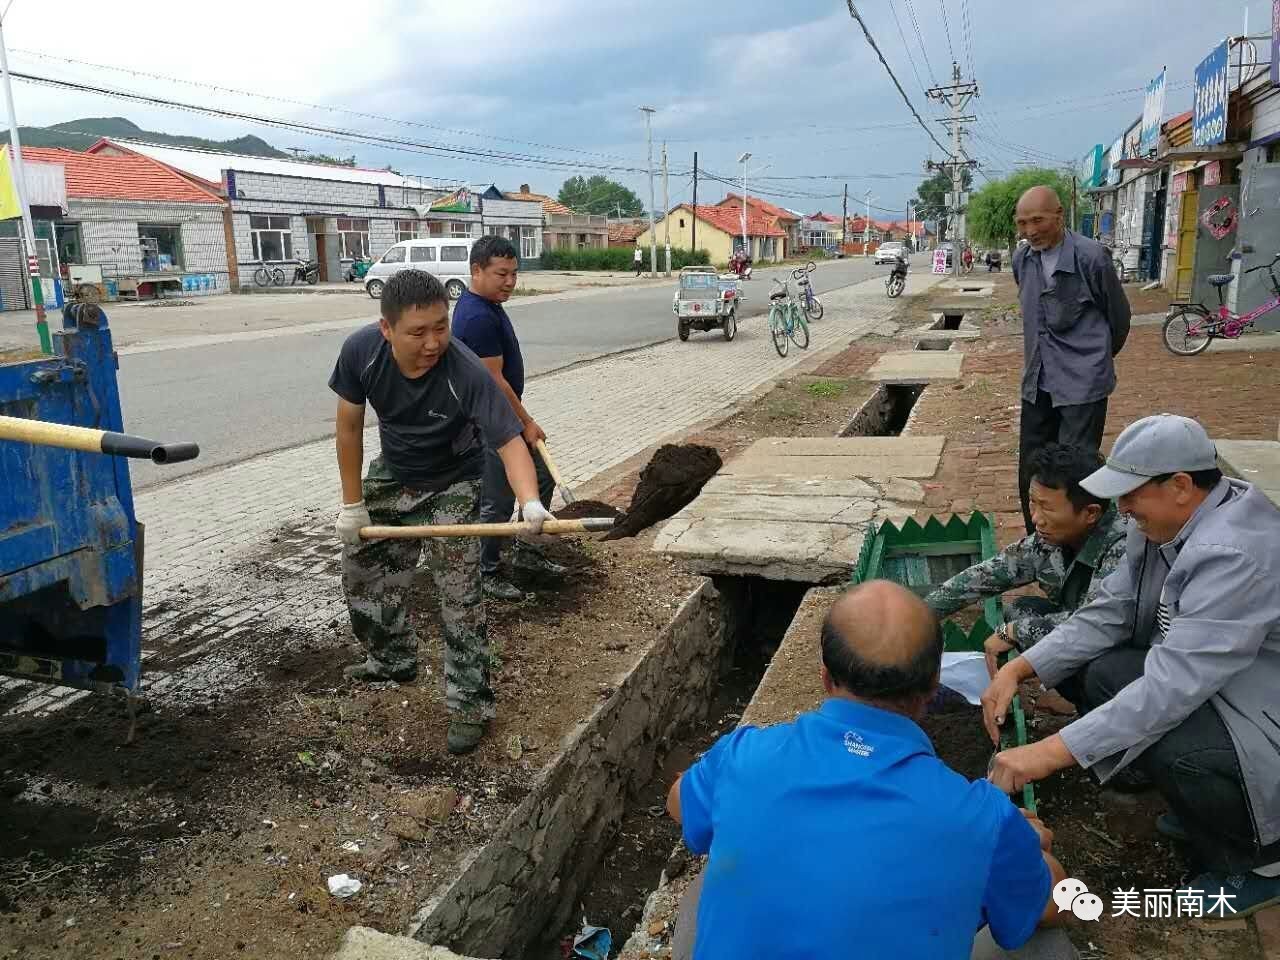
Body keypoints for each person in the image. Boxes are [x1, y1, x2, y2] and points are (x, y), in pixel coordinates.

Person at [667, 580, 1067, 960]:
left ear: (825, 676)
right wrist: (1026, 844)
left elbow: (680, 803)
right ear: (933, 686)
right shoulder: (979, 817)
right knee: (1047, 944)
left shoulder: (744, 755)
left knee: (710, 887)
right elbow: (1055, 902)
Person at [983, 415, 1280, 917]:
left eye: (1130, 494)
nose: (1122, 508)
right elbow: (1108, 612)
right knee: (1107, 675)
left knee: (1172, 738)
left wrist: (1048, 753)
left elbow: (1171, 690)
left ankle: (1257, 863)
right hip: (1224, 686)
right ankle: (1202, 805)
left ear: (1181, 486)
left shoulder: (1233, 554)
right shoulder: (1165, 523)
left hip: (1260, 710)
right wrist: (1020, 668)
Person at [329, 269, 552, 755]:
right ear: (386, 329)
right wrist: (353, 504)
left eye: (441, 327)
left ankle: (471, 703)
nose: (433, 342)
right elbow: (348, 428)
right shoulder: (360, 353)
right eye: (418, 332)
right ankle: (392, 658)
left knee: (459, 591)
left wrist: (530, 501)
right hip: (395, 470)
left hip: (455, 478)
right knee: (361, 568)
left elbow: (510, 443)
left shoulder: (464, 370)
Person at [925, 443, 1128, 678]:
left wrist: (1014, 632)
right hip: (1082, 623)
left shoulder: (1122, 547)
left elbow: (1096, 625)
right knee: (1020, 611)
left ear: (1090, 513)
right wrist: (919, 614)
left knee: (1098, 672)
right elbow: (986, 576)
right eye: (1033, 502)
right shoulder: (1050, 539)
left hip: (1121, 643)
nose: (1035, 518)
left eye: (1047, 508)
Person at [1012, 185, 1131, 535]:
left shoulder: (1091, 257)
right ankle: (1038, 541)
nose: (1030, 230)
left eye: (1038, 220)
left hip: (1082, 384)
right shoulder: (1023, 259)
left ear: (1059, 215)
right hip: (1038, 380)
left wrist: (1095, 363)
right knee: (1031, 466)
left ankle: (1081, 543)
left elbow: (1119, 318)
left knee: (1077, 468)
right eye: (1022, 223)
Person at [451, 235, 562, 601]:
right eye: (502, 274)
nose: (511, 282)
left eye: (514, 273)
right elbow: (494, 381)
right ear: (476, 271)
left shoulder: (487, 305)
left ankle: (528, 550)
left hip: (499, 417)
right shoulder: (477, 315)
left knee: (541, 477)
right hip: (487, 423)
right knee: (496, 500)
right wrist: (526, 422)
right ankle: (488, 571)